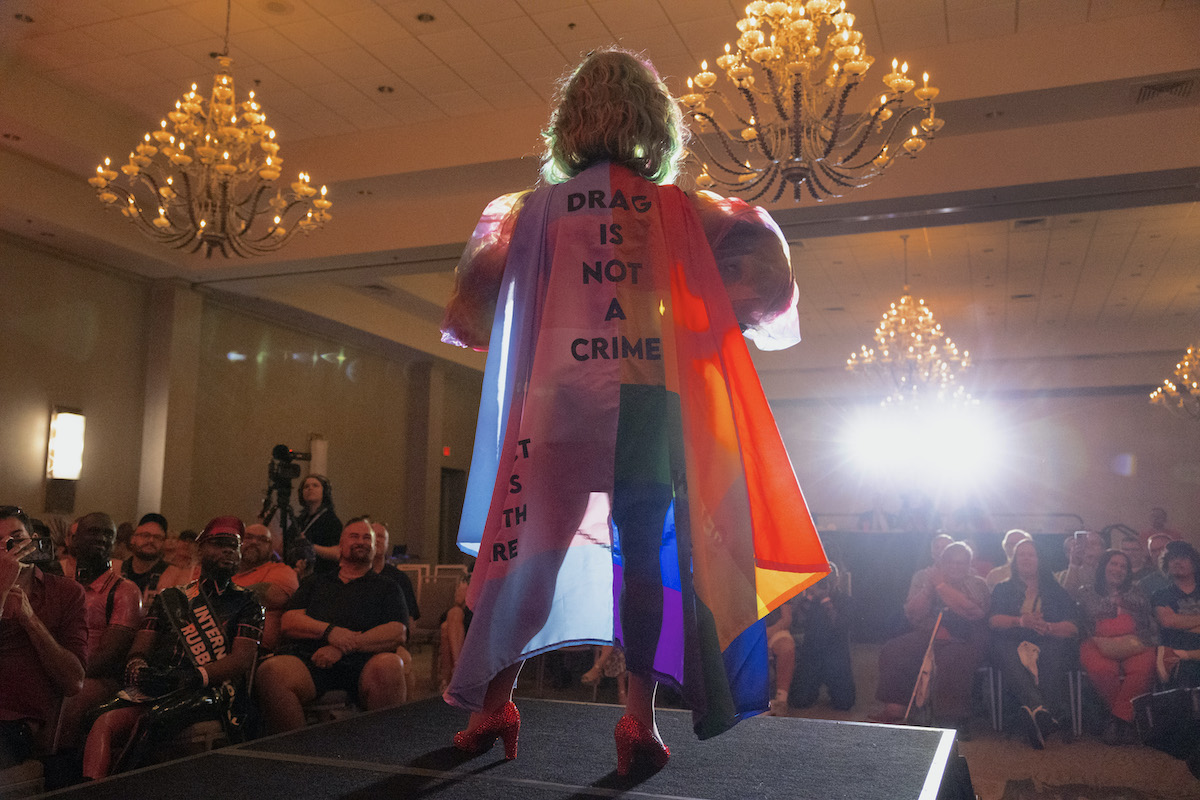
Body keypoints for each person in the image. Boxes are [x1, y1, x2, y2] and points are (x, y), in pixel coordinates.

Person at [439, 48, 826, 774]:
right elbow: (769, 286)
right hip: (648, 400)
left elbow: (471, 316)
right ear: (659, 124)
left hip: (555, 404)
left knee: (526, 555)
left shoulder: (527, 214)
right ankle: (637, 722)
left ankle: (494, 705)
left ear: (568, 123)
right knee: (644, 566)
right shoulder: (689, 211)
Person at [81, 517, 263, 779]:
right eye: (219, 544)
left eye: (233, 546)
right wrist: (139, 666)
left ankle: (119, 790)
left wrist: (192, 676)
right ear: (201, 550)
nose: (227, 551)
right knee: (94, 717)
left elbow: (241, 661)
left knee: (153, 720)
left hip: (215, 689)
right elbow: (141, 646)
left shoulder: (248, 602)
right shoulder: (171, 597)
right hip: (162, 684)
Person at [255, 517, 409, 733]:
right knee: (271, 671)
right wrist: (330, 632)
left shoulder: (388, 587)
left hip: (365, 662)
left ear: (375, 548)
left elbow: (397, 632)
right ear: (340, 545)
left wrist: (343, 646)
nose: (361, 541)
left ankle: (381, 753)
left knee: (391, 664)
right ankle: (297, 753)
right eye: (354, 536)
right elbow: (290, 621)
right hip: (312, 660)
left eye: (367, 538)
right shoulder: (316, 582)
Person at [0, 505, 87, 768]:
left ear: (34, 542)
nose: (9, 548)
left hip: (14, 722)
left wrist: (29, 619)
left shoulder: (65, 592)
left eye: (17, 538)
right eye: (0, 543)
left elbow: (74, 681)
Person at [873, 541, 989, 736]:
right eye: (950, 562)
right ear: (941, 563)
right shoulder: (925, 578)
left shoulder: (977, 583)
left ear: (969, 565)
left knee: (951, 659)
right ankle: (895, 708)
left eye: (961, 563)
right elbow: (912, 613)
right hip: (930, 631)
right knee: (895, 649)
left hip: (966, 636)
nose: (955, 567)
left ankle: (951, 718)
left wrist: (941, 585)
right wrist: (929, 587)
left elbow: (972, 611)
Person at [56, 513, 144, 752]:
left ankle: (57, 771)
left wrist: (60, 674)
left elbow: (110, 655)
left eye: (108, 534)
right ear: (74, 540)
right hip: (60, 667)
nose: (102, 538)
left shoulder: (125, 590)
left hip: (100, 679)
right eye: (94, 532)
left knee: (72, 696)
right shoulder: (61, 585)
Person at [988, 538, 1079, 748]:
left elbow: (1075, 627)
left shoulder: (1055, 590)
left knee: (1055, 650)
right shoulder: (1003, 588)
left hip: (1048, 639)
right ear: (1014, 560)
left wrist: (1048, 627)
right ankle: (1042, 710)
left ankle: (1038, 713)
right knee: (1002, 648)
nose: (1026, 558)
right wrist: (1020, 621)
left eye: (1031, 554)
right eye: (1022, 554)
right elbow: (993, 621)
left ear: (1040, 559)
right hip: (1012, 640)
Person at [1076, 549, 1156, 745]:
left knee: (1143, 669)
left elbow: (1147, 620)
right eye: (1114, 564)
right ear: (1104, 566)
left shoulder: (1138, 591)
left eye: (1123, 566)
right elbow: (1090, 614)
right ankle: (1126, 719)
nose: (1118, 569)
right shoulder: (1086, 591)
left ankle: (1116, 719)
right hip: (1097, 641)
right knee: (1101, 669)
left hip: (1135, 641)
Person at [790, 564, 855, 712]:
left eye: (828, 579)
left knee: (844, 703)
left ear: (836, 580)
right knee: (799, 700)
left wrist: (826, 601)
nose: (824, 583)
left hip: (836, 657)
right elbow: (797, 622)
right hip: (811, 655)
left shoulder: (846, 601)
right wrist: (809, 597)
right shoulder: (809, 601)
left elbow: (839, 625)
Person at [231, 523, 299, 653]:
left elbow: (269, 595)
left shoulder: (282, 571)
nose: (254, 542)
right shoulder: (223, 572)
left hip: (255, 651)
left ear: (271, 549)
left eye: (263, 540)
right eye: (248, 537)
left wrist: (219, 597)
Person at [1151, 540, 1200, 688]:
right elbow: (1168, 621)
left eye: (1183, 558)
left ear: (1194, 563)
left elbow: (1175, 622)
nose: (1177, 561)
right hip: (1176, 651)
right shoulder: (1161, 594)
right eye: (1172, 558)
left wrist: (1181, 621)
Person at [291, 474, 342, 575]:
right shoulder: (299, 520)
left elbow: (337, 553)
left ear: (325, 492)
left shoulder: (331, 520)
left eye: (315, 485)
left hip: (322, 574)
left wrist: (309, 546)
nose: (310, 488)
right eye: (306, 486)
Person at [371, 522, 420, 622]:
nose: (376, 540)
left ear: (387, 544)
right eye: (372, 536)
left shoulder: (400, 579)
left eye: (381, 536)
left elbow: (410, 619)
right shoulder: (355, 575)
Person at [120, 513, 170, 605]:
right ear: (133, 539)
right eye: (145, 535)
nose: (151, 540)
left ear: (164, 542)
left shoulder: (172, 577)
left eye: (157, 537)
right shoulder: (117, 570)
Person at [1056, 530, 1105, 596]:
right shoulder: (1065, 575)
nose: (1088, 546)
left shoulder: (1110, 570)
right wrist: (1073, 564)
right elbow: (1067, 596)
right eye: (1085, 544)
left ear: (1102, 549)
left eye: (1093, 543)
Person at [1139, 533, 1173, 598]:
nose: (1158, 553)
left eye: (1162, 549)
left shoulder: (1191, 576)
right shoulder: (1145, 584)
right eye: (1153, 551)